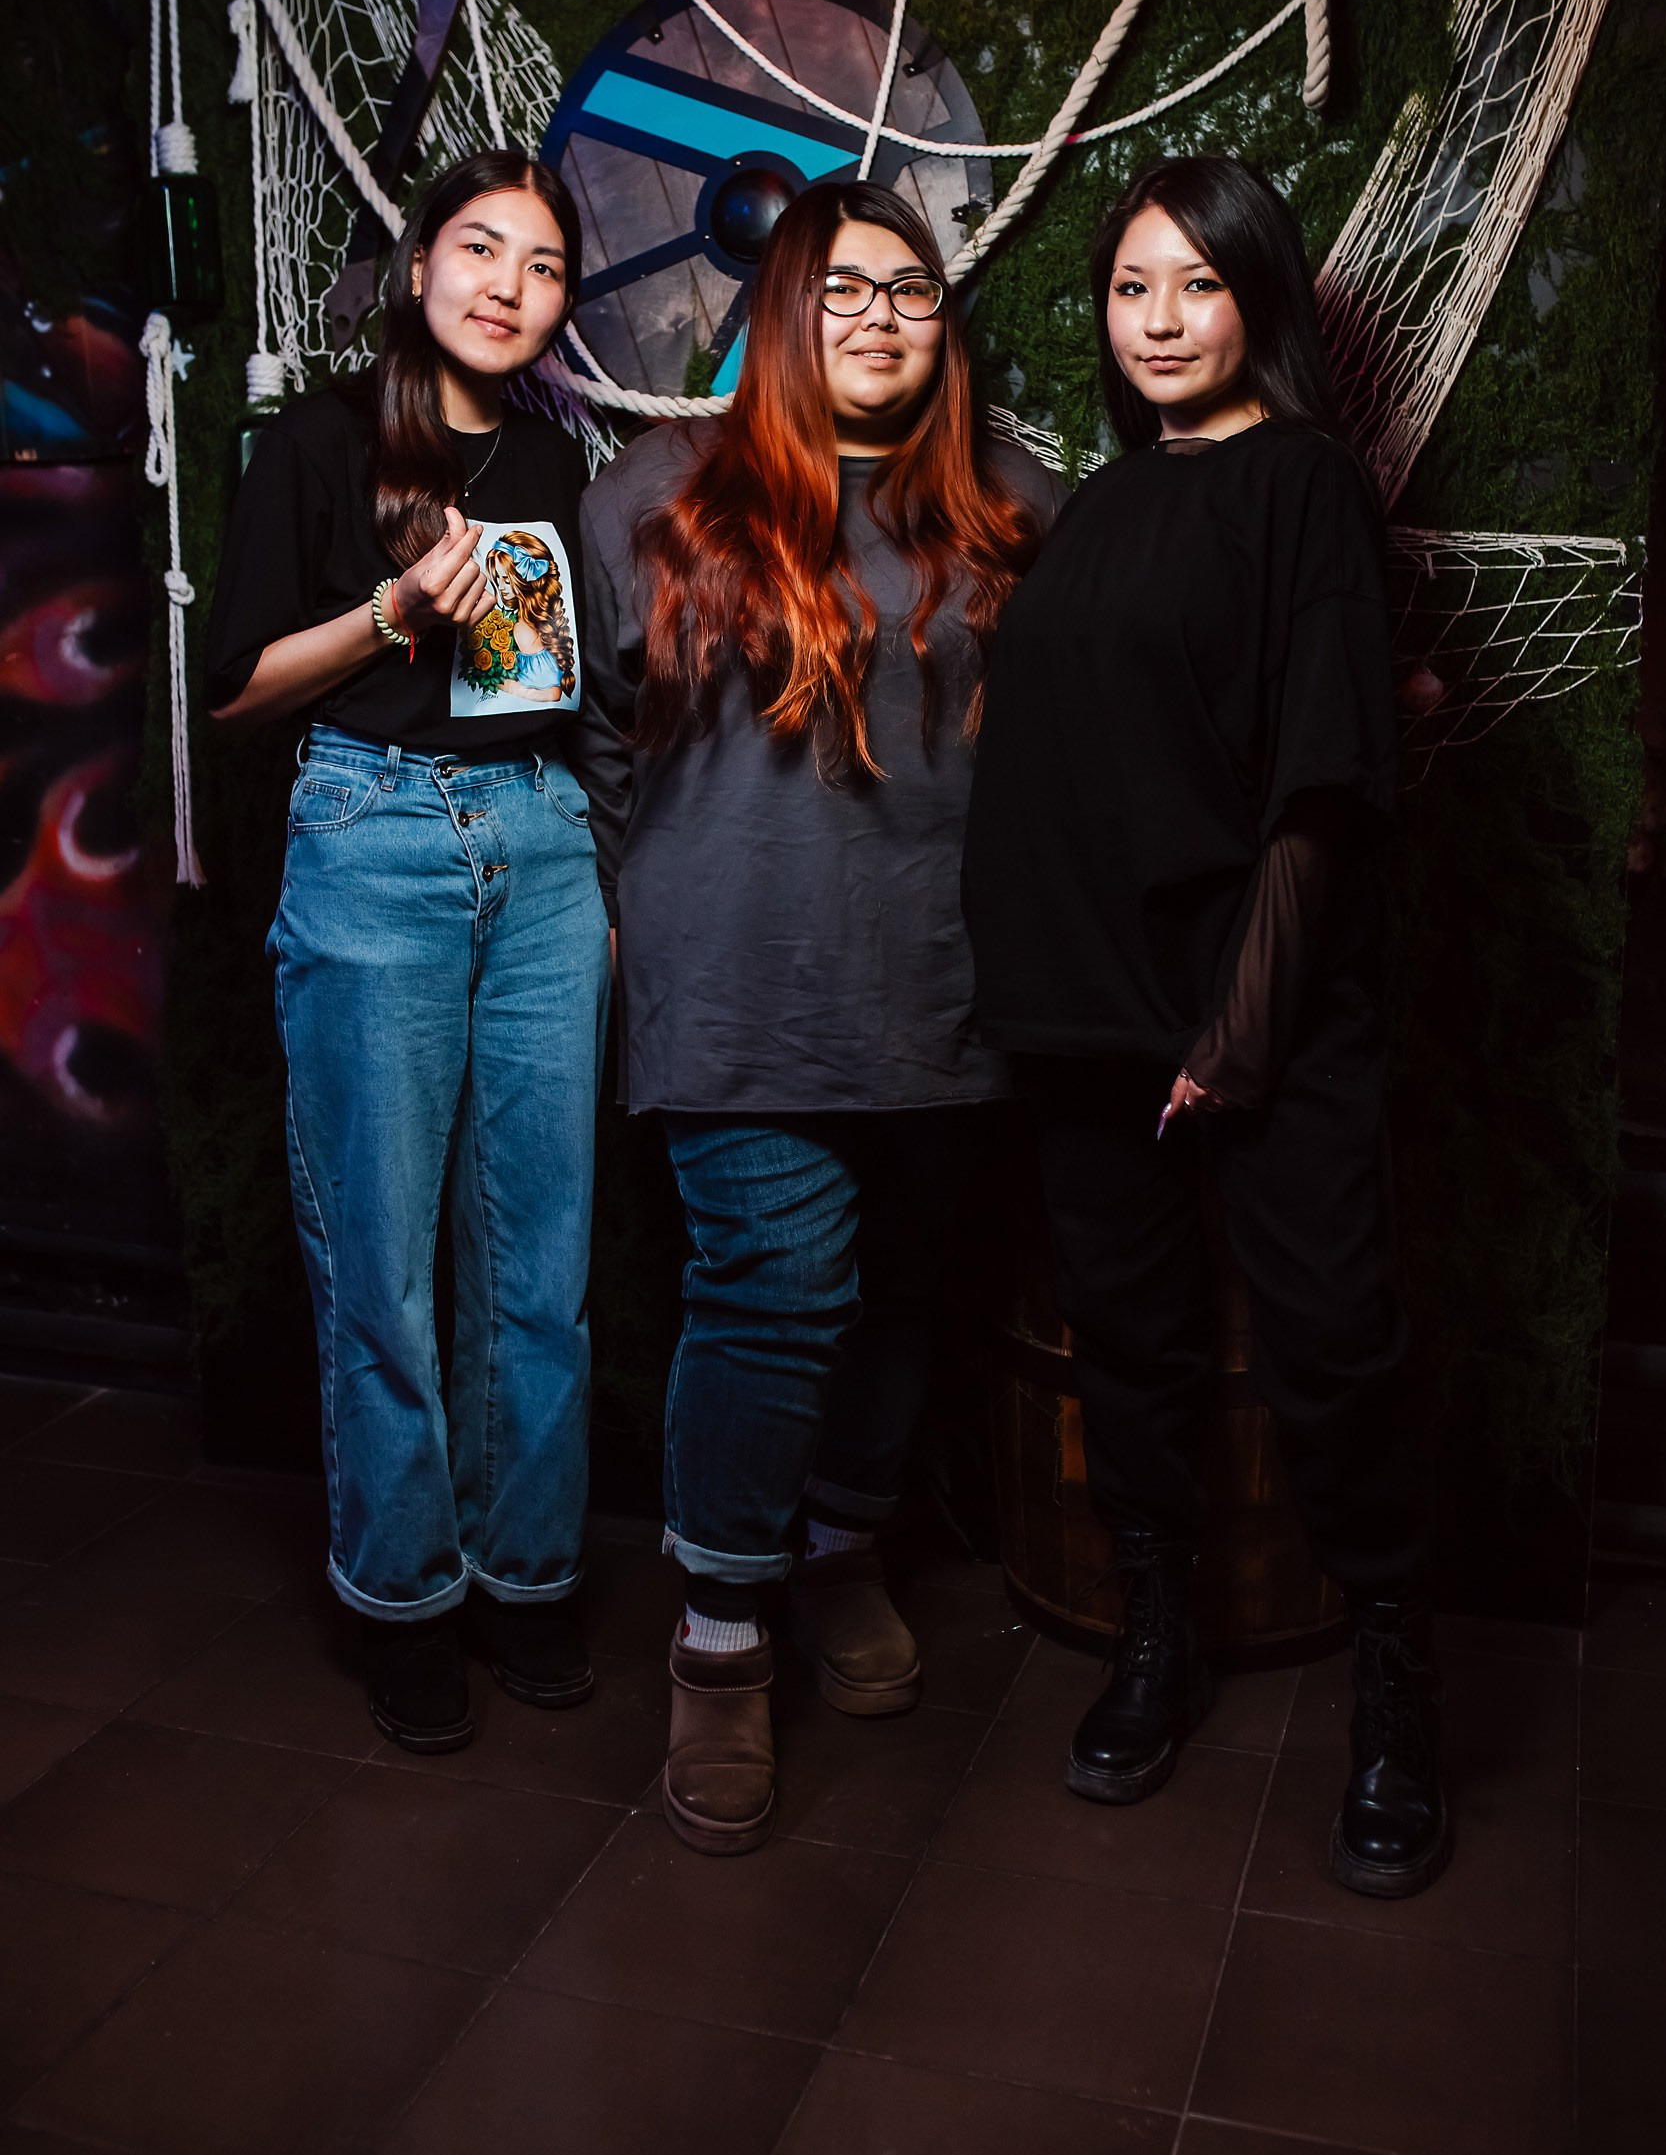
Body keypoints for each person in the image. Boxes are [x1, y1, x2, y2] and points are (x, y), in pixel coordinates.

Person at [962, 154, 1448, 1900]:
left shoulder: (1305, 483)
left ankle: (1397, 1690)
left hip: (1259, 1013)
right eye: (1130, 288)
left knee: (1332, 1345)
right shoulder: (1095, 506)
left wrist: (1239, 1033)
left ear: (1261, 300)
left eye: (1199, 284)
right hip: (1087, 1017)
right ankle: (1154, 1640)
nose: (1159, 320)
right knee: (1134, 1346)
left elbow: (1323, 776)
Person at [578, 179, 1059, 1855]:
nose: (878, 316)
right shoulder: (655, 491)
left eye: (910, 291)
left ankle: (842, 1545)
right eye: (842, 288)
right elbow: (591, 734)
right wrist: (641, 918)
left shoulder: (1014, 503)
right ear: (780, 310)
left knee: (908, 1287)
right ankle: (722, 1631)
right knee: (777, 1288)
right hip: (739, 984)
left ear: (945, 326)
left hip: (946, 984)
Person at [203, 149, 611, 1755]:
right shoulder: (317, 441)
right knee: (380, 1260)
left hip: (542, 844)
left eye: (544, 265)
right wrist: (390, 615)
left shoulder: (556, 458)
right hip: (372, 837)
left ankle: (527, 1575)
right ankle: (405, 1597)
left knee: (540, 1260)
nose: (509, 286)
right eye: (481, 248)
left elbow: (550, 681)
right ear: (419, 263)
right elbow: (234, 687)